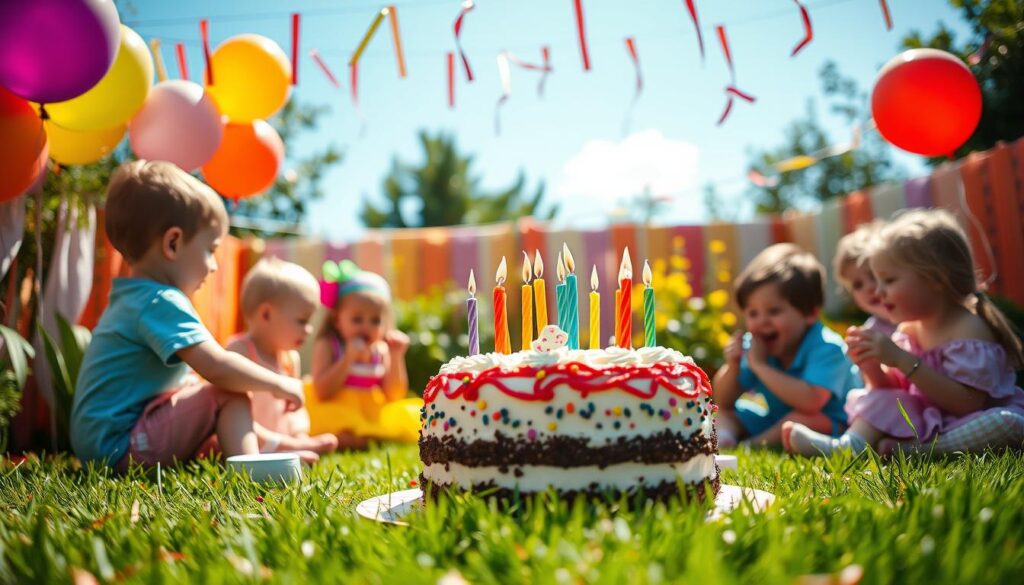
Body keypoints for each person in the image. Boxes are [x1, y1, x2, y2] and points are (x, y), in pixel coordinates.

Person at [71, 160, 305, 470]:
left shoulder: (134, 297)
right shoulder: (161, 300)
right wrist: (279, 383)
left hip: (106, 442)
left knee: (210, 414)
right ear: (173, 243)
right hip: (120, 444)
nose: (214, 265)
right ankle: (254, 471)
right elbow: (218, 367)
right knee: (228, 394)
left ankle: (279, 446)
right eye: (211, 249)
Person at [784, 209, 1024, 456]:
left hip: (969, 421)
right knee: (883, 399)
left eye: (888, 280)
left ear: (934, 278)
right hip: (929, 419)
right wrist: (872, 367)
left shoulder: (969, 328)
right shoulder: (910, 329)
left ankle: (921, 451)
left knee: (1008, 424)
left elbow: (967, 404)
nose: (878, 291)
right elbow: (895, 388)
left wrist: (902, 359)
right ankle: (850, 445)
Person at [713, 243, 861, 448]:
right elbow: (723, 400)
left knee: (800, 420)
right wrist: (733, 365)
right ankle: (724, 439)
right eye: (752, 313)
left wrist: (760, 366)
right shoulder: (758, 348)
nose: (762, 321)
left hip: (831, 422)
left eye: (774, 311)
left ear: (810, 313)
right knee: (722, 414)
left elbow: (810, 403)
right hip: (775, 419)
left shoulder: (827, 348)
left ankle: (752, 445)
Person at [225, 258, 339, 461]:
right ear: (266, 314)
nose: (309, 329)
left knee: (299, 437)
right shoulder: (240, 351)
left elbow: (294, 410)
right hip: (245, 442)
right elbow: (228, 411)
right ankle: (288, 448)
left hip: (280, 436)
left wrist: (300, 434)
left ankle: (292, 446)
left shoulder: (289, 359)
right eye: (302, 321)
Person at [308, 260, 421, 447]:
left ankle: (366, 437)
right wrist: (348, 359)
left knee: (414, 418)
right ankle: (364, 438)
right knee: (338, 426)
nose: (366, 327)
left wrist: (396, 356)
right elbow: (321, 392)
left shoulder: (381, 350)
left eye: (375, 320)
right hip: (338, 408)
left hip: (371, 411)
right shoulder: (329, 345)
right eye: (357, 319)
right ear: (337, 320)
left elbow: (394, 394)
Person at [833, 220, 897, 337]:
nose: (869, 287)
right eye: (857, 285)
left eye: (874, 275)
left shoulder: (921, 320)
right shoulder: (869, 335)